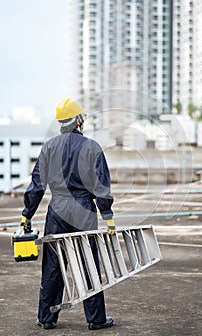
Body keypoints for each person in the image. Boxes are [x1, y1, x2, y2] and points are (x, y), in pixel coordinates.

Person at [21, 98, 115, 331]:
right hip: (83, 211)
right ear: (79, 121)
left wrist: (27, 214)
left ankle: (46, 318)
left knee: (53, 264)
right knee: (88, 264)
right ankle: (95, 319)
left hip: (57, 211)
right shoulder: (92, 147)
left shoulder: (49, 147)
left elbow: (37, 184)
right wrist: (108, 216)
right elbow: (101, 186)